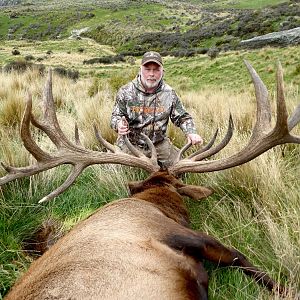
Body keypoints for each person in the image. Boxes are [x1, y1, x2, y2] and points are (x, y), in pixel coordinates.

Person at [111, 51, 203, 167]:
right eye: (147, 69)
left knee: (182, 168)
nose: (151, 74)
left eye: (156, 70)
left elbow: (182, 117)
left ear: (162, 72)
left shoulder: (169, 94)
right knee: (117, 170)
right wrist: (118, 124)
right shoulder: (125, 91)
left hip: (159, 144)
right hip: (131, 144)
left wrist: (191, 132)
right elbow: (115, 116)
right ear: (140, 70)